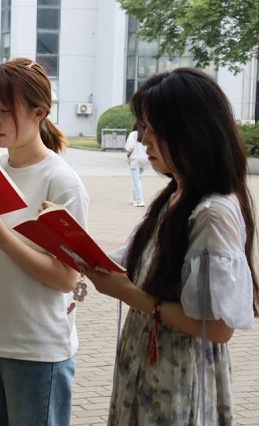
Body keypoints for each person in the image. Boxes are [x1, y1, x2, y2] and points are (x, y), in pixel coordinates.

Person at [85, 68, 259, 425]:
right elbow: (133, 261)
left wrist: (127, 293)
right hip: (150, 367)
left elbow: (219, 328)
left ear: (192, 132)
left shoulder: (213, 213)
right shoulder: (176, 195)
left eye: (155, 130)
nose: (144, 140)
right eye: (143, 127)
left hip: (179, 379)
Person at [0, 58, 89, 425]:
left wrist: (1, 237)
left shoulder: (61, 182)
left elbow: (66, 278)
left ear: (40, 112)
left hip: (36, 350)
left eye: (5, 111)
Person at [124, 123, 148, 207]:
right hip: (145, 159)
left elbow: (129, 147)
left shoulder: (133, 134)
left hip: (135, 160)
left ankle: (139, 200)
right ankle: (135, 198)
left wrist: (128, 156)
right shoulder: (146, 134)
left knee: (136, 180)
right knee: (138, 179)